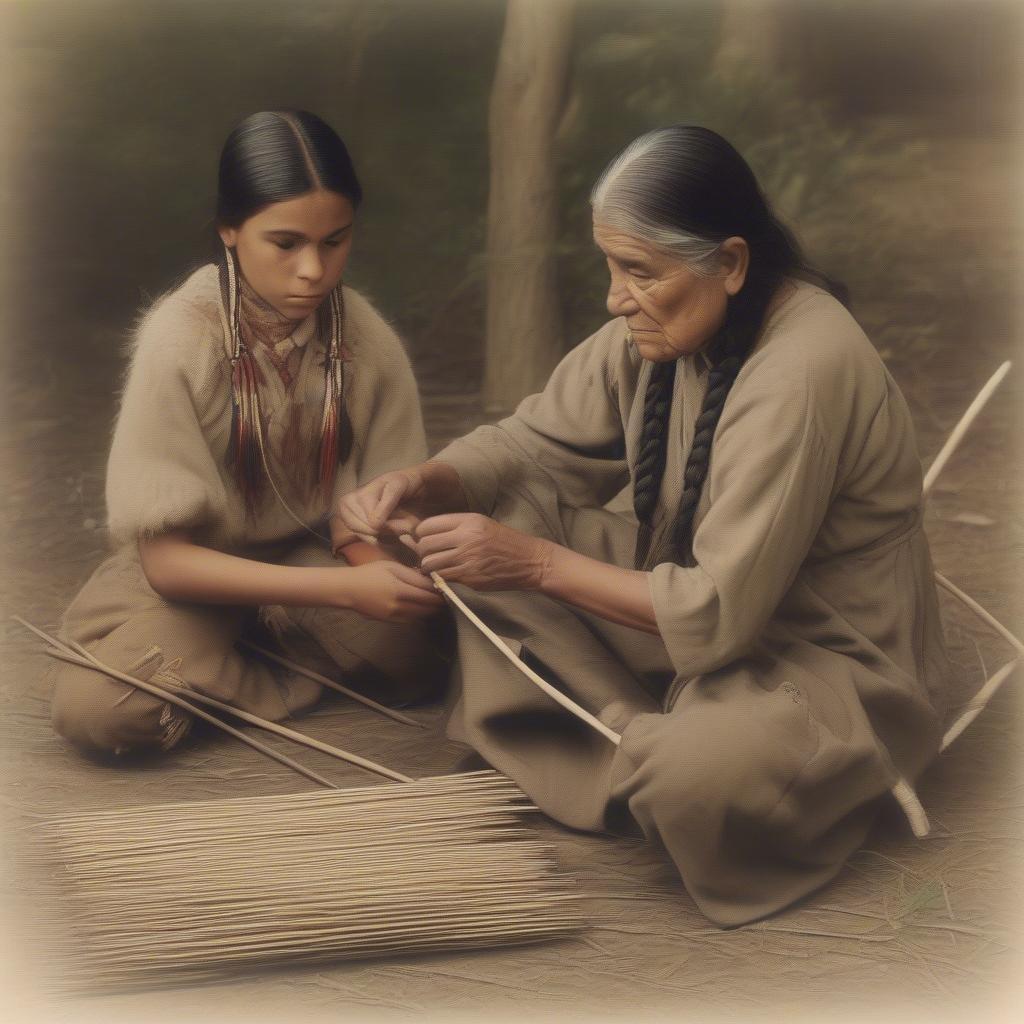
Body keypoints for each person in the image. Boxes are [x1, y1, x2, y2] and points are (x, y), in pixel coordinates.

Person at [338, 125, 954, 926]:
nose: (614, 296)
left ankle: (645, 748)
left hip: (823, 659)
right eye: (610, 264)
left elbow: (714, 616)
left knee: (690, 773)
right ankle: (640, 732)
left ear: (730, 263)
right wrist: (427, 480)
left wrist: (530, 565)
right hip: (699, 623)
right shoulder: (663, 325)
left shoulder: (803, 368)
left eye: (638, 271)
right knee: (479, 511)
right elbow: (529, 445)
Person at [50, 109, 447, 757]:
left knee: (427, 652)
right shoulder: (182, 336)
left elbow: (364, 519)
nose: (314, 271)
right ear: (230, 230)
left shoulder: (364, 337)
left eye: (335, 240)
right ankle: (257, 651)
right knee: (102, 709)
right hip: (198, 573)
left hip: (316, 558)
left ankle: (221, 668)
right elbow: (168, 562)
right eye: (286, 243)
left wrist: (379, 577)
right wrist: (347, 593)